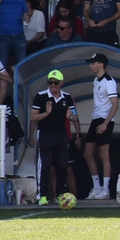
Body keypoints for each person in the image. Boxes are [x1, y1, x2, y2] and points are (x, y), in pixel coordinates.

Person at [30, 70, 81, 205]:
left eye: (55, 82)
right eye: (50, 82)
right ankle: (43, 195)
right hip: (45, 133)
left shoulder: (67, 97)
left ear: (61, 83)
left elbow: (74, 117)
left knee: (62, 165)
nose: (52, 85)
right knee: (46, 165)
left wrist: (69, 117)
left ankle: (60, 194)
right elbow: (33, 117)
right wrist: (47, 113)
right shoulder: (40, 96)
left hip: (61, 134)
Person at [84, 53, 119, 200]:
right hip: (95, 118)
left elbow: (115, 105)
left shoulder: (109, 82)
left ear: (101, 65)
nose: (91, 65)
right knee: (87, 153)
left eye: (93, 63)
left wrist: (105, 124)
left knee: (104, 155)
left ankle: (106, 189)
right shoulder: (95, 80)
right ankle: (96, 187)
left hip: (105, 120)